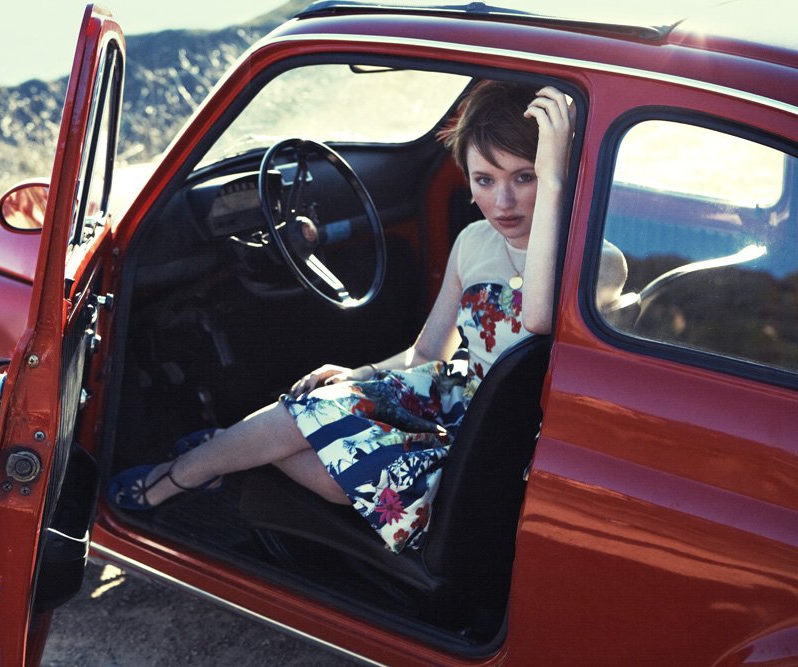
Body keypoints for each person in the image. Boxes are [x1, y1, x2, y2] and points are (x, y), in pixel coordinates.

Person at [108, 80, 627, 553]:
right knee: (307, 406)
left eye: (526, 176)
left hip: (503, 437)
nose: (503, 200)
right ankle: (180, 474)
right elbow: (428, 351)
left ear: (559, 174)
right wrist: (362, 375)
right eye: (484, 179)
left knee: (334, 476)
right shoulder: (473, 242)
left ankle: (222, 455)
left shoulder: (596, 260)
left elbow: (538, 318)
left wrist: (559, 176)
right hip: (449, 394)